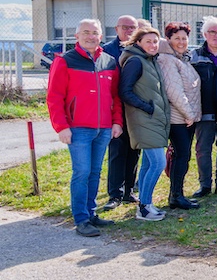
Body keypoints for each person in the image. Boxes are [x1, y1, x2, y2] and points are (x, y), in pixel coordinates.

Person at [47, 19, 123, 236]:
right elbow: (54, 97)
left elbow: (115, 96)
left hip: (104, 128)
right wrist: (61, 127)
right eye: (86, 32)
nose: (91, 36)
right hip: (78, 128)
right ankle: (81, 219)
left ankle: (91, 213)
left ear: (101, 36)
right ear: (77, 36)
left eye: (95, 33)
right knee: (81, 172)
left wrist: (117, 122)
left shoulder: (109, 61)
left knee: (95, 172)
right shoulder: (65, 61)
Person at [118, 25, 170, 222]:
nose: (153, 45)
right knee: (158, 162)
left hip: (153, 119)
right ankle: (144, 207)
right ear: (138, 42)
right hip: (143, 119)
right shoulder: (135, 61)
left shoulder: (150, 61)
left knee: (149, 163)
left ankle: (146, 203)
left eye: (155, 41)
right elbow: (125, 91)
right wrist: (146, 107)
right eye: (148, 41)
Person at [157, 22, 202, 210]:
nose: (182, 42)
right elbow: (174, 91)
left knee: (183, 156)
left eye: (184, 38)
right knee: (180, 156)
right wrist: (189, 114)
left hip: (186, 118)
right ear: (168, 39)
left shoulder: (181, 58)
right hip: (179, 119)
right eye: (177, 38)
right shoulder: (168, 60)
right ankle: (176, 196)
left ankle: (178, 194)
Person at [190, 16, 217, 198]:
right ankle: (205, 185)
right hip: (204, 110)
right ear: (204, 34)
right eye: (212, 32)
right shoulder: (194, 56)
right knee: (203, 149)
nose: (216, 36)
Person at [101, 15, 140, 211]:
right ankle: (114, 193)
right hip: (116, 110)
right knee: (117, 151)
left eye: (133, 27)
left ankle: (129, 191)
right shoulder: (107, 51)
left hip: (136, 110)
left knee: (134, 151)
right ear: (116, 29)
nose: (129, 31)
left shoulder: (140, 49)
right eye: (125, 27)